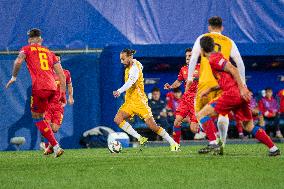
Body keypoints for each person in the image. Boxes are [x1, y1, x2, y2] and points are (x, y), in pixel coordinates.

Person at [196, 36, 280, 156]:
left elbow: (234, 69)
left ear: (202, 49)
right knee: (249, 126)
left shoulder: (214, 58)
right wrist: (210, 89)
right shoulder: (216, 58)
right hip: (238, 95)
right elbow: (227, 79)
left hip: (232, 94)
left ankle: (214, 142)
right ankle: (273, 149)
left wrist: (241, 89)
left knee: (201, 114)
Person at [186, 16, 246, 154]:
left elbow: (194, 57)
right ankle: (222, 144)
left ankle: (213, 140)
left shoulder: (202, 38)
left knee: (199, 113)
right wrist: (242, 83)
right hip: (222, 82)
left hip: (205, 82)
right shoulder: (229, 41)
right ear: (222, 27)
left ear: (209, 27)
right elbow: (239, 62)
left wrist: (189, 78)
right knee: (223, 113)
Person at [5, 28, 65, 157]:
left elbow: (18, 61)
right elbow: (61, 75)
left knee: (36, 117)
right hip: (53, 88)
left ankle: (55, 146)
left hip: (40, 88)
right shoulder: (50, 52)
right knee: (44, 117)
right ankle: (52, 145)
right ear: (41, 39)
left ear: (29, 39)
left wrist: (14, 77)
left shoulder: (26, 49)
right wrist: (63, 93)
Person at [113, 49, 179, 151]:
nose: (121, 62)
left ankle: (173, 143)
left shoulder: (134, 68)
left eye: (123, 59)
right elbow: (140, 66)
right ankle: (140, 138)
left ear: (129, 57)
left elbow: (130, 82)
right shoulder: (133, 64)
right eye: (121, 59)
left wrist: (119, 91)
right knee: (118, 119)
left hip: (140, 103)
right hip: (129, 102)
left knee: (153, 126)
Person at [164, 48, 200, 144]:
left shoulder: (201, 68)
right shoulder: (183, 69)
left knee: (193, 129)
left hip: (195, 99)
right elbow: (179, 81)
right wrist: (170, 86)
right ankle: (176, 145)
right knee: (177, 122)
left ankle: (210, 133)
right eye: (186, 56)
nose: (187, 58)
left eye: (190, 56)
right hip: (185, 98)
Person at [42, 54, 74, 154]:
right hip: (47, 105)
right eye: (55, 60)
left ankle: (50, 145)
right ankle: (49, 146)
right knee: (45, 125)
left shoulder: (66, 73)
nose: (57, 62)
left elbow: (70, 86)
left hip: (59, 106)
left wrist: (70, 96)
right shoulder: (47, 73)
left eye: (58, 60)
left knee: (55, 129)